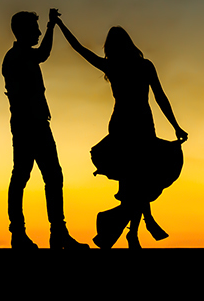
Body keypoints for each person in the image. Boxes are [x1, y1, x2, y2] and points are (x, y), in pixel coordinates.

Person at [54, 13, 188, 248]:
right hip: (136, 125)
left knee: (136, 181)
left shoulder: (114, 65)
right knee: (138, 180)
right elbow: (160, 98)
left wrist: (59, 25)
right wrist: (175, 125)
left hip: (129, 125)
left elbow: (79, 48)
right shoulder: (143, 66)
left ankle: (132, 230)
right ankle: (135, 230)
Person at [2, 9, 87, 249]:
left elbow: (43, 54)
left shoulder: (25, 55)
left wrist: (51, 27)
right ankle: (19, 234)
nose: (38, 32)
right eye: (35, 28)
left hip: (37, 124)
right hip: (28, 126)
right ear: (23, 31)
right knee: (22, 176)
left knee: (51, 177)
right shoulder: (15, 58)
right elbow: (20, 93)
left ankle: (56, 232)